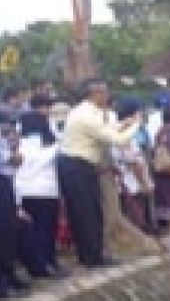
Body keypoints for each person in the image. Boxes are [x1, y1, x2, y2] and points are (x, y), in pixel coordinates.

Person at [57, 79, 142, 268]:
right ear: (94, 94)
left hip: (80, 165)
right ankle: (92, 257)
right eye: (104, 92)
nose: (107, 96)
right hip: (75, 165)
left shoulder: (91, 113)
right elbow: (118, 140)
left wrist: (124, 124)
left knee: (91, 211)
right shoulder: (85, 115)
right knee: (86, 213)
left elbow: (107, 131)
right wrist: (136, 124)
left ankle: (91, 254)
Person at [13, 101, 64, 279]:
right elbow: (48, 156)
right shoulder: (44, 145)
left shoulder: (18, 145)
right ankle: (45, 264)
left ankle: (37, 264)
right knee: (45, 230)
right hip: (45, 191)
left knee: (32, 232)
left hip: (24, 192)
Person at [111, 99, 155, 235]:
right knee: (137, 224)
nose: (142, 116)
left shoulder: (120, 132)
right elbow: (134, 162)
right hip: (132, 187)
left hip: (127, 186)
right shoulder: (123, 134)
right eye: (139, 114)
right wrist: (144, 183)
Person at [0, 116, 29, 298]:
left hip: (6, 184)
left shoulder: (4, 141)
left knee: (9, 232)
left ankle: (9, 275)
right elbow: (13, 159)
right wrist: (15, 155)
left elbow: (16, 161)